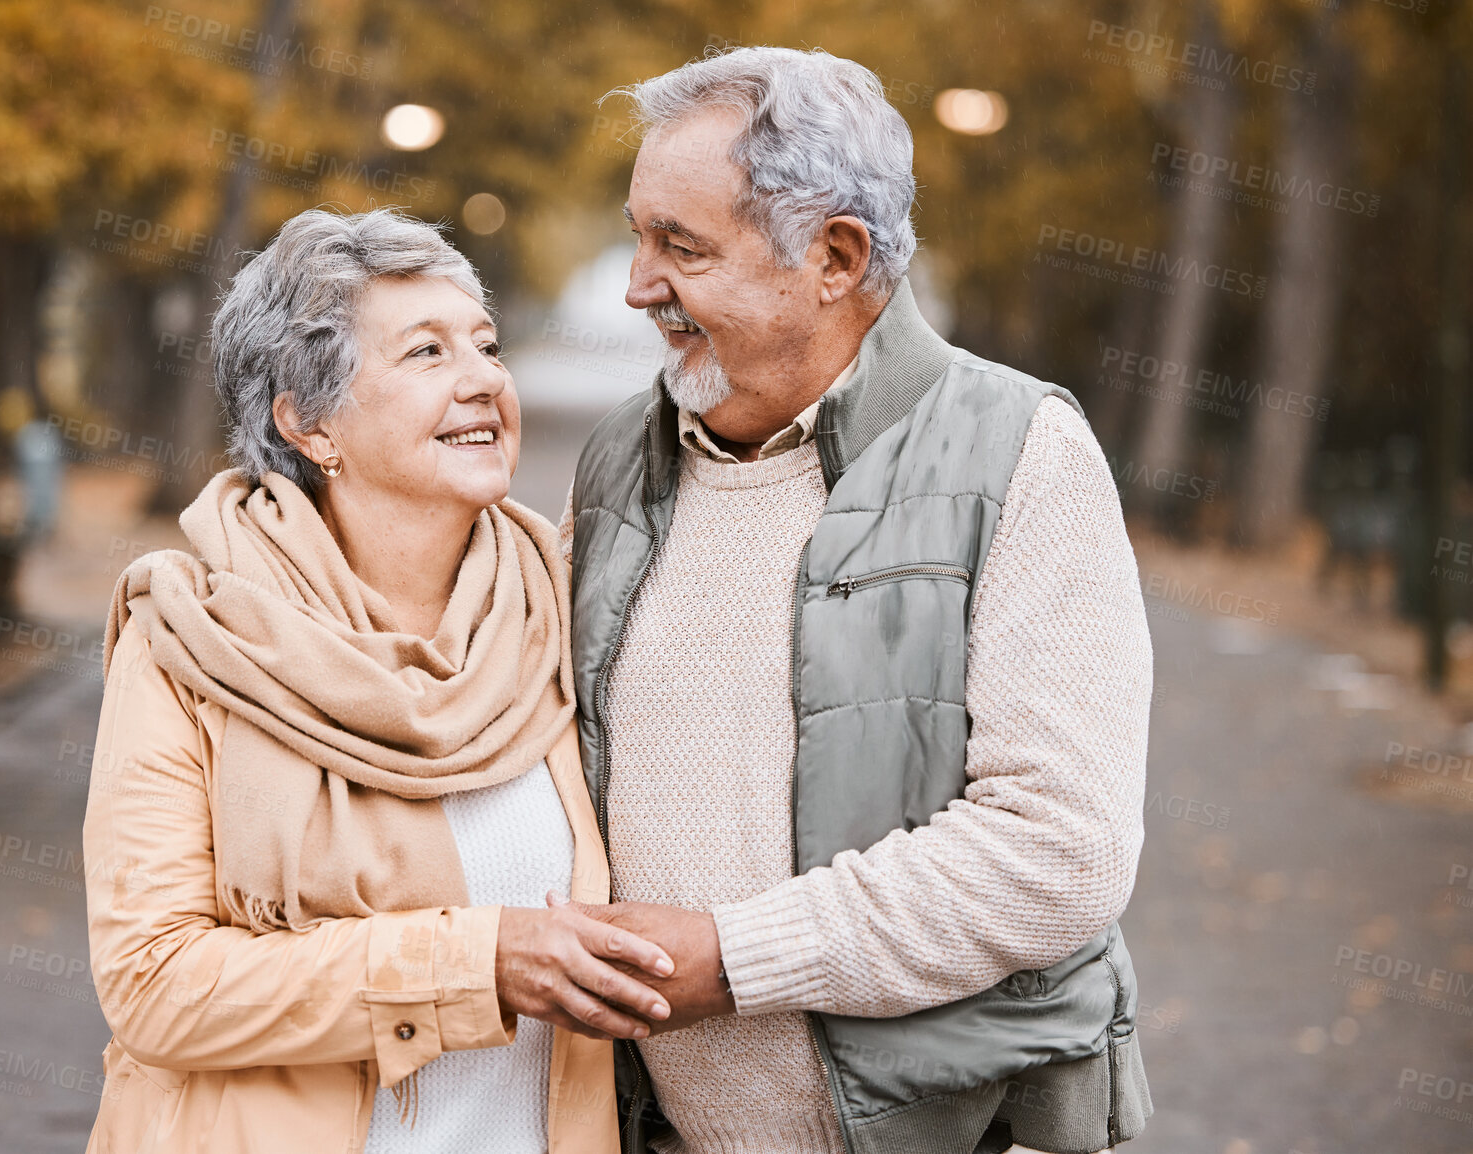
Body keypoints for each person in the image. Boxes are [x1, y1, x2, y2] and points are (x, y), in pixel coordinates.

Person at [558, 47, 1155, 1154]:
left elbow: (1057, 850)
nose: (639, 283)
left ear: (834, 257)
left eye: (679, 246)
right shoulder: (615, 465)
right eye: (639, 234)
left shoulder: (1023, 452)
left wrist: (734, 958)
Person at [82, 208, 674, 1154]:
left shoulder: (570, 609)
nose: (483, 378)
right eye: (426, 353)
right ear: (308, 424)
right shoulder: (190, 638)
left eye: (485, 345)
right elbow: (156, 983)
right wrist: (474, 963)